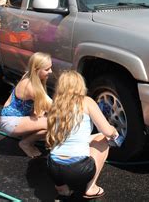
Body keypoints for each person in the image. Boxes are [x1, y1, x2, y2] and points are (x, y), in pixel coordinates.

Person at [46, 71, 118, 199]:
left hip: (53, 167)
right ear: (80, 85)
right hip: (78, 169)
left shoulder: (55, 104)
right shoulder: (86, 101)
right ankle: (91, 187)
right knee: (102, 138)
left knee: (75, 142)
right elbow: (107, 131)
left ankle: (61, 186)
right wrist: (113, 131)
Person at [0, 52, 53, 158]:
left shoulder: (29, 76)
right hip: (10, 122)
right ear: (36, 70)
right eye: (47, 69)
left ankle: (27, 137)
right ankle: (26, 143)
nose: (51, 71)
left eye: (50, 68)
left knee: (47, 119)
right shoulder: (30, 87)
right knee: (52, 123)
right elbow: (54, 107)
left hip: (16, 118)